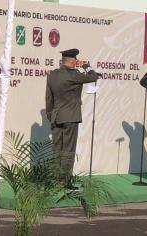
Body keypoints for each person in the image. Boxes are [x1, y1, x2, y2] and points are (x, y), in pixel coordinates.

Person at [45, 48, 99, 189]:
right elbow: (93, 76)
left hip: (56, 117)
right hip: (70, 117)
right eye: (76, 60)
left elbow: (48, 99)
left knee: (57, 149)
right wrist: (86, 66)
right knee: (68, 150)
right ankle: (64, 181)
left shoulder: (52, 75)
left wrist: (51, 115)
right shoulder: (74, 75)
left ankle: (55, 180)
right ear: (74, 61)